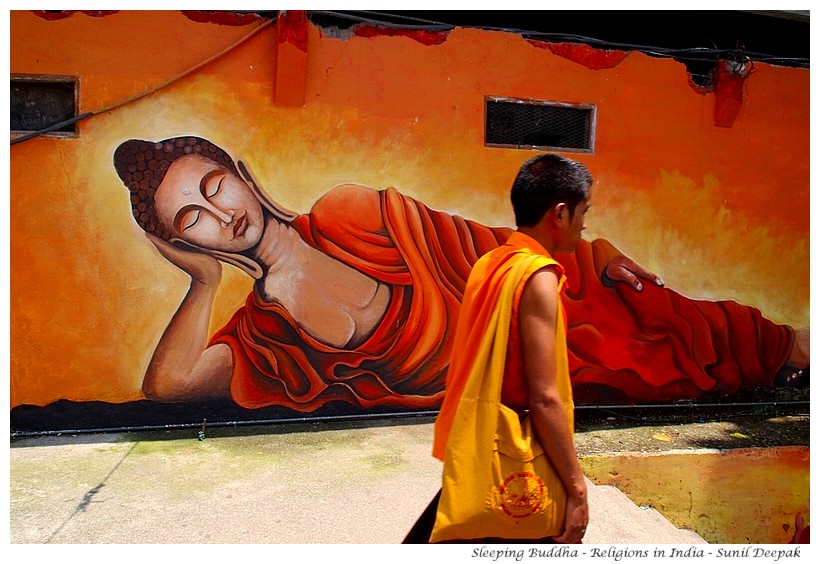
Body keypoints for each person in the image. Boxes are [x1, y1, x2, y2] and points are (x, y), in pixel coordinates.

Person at [112, 136, 808, 413]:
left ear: (238, 173)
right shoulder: (266, 333)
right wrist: (201, 282)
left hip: (556, 322)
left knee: (707, 332)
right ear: (178, 240)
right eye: (190, 218)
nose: (219, 213)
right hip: (514, 392)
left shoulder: (351, 212)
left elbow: (492, 247)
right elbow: (167, 385)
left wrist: (592, 253)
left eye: (213, 186)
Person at [410, 153, 592, 543]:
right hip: (512, 457)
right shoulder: (537, 277)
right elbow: (544, 398)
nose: (585, 223)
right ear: (560, 214)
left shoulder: (492, 262)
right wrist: (577, 490)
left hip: (478, 442)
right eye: (583, 211)